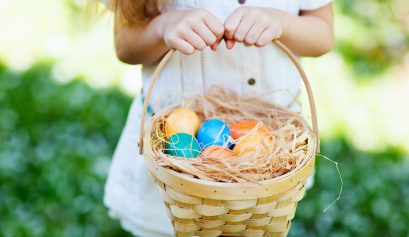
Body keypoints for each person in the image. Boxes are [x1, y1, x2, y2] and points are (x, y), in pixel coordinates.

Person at [101, 1, 334, 236]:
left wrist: (283, 22)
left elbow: (323, 35)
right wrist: (163, 28)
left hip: (271, 160)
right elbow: (126, 45)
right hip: (172, 171)